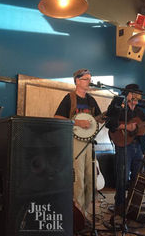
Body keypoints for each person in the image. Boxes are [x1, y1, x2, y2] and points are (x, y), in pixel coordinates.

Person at [54, 69, 105, 218]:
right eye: (86, 79)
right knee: (79, 178)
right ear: (77, 80)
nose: (89, 81)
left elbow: (99, 118)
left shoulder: (91, 99)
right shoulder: (70, 98)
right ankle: (78, 215)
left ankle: (85, 211)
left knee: (91, 178)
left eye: (90, 78)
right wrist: (77, 122)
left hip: (89, 142)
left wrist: (105, 116)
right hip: (74, 141)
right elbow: (57, 117)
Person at [106, 83, 145, 216]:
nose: (137, 97)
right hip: (123, 145)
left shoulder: (140, 112)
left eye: (138, 95)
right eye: (134, 94)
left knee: (137, 177)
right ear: (128, 94)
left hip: (137, 146)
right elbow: (110, 124)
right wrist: (125, 126)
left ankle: (133, 205)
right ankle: (119, 205)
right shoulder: (118, 106)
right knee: (122, 177)